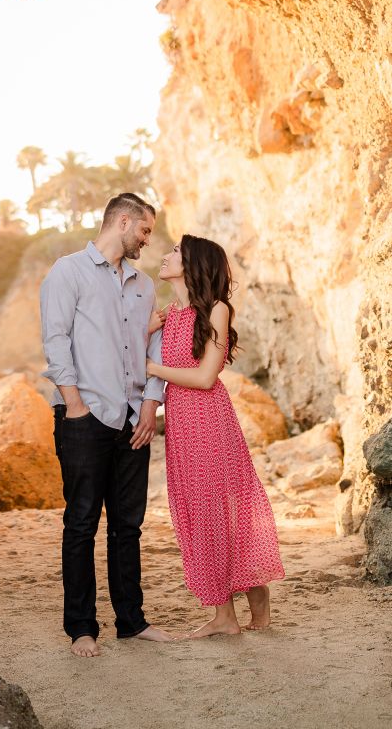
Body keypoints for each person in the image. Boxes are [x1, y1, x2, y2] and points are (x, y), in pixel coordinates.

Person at [40, 192, 174, 657]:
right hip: (85, 417)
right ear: (122, 222)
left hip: (134, 419)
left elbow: (152, 348)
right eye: (144, 230)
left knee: (128, 528)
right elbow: (55, 340)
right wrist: (74, 404)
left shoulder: (143, 285)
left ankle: (131, 623)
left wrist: (152, 407)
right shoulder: (68, 272)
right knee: (80, 524)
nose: (146, 240)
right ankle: (81, 629)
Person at [146, 235, 285, 638]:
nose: (167, 255)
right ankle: (226, 615)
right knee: (200, 513)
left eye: (174, 251)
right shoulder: (170, 314)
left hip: (208, 420)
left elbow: (206, 377)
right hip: (181, 426)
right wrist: (144, 334)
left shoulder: (216, 309)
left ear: (191, 263)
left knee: (224, 510)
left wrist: (152, 368)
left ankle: (250, 605)